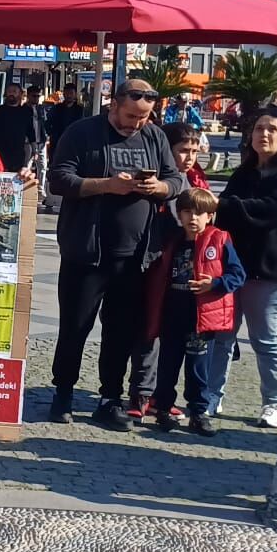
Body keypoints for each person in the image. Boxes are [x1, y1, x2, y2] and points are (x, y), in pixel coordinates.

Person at [45, 78, 185, 427]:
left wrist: (160, 187)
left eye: (144, 116)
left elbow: (176, 180)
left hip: (135, 256)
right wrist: (107, 185)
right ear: (113, 104)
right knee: (75, 327)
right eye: (131, 115)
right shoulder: (82, 133)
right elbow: (59, 179)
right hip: (86, 251)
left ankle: (110, 397)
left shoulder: (154, 136)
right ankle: (63, 390)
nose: (137, 123)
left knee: (120, 330)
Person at [210, 110, 277, 429]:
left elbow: (271, 212)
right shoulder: (243, 174)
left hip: (271, 269)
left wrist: (225, 206)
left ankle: (275, 402)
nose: (264, 135)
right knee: (221, 336)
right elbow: (225, 217)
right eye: (258, 129)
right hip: (234, 266)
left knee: (265, 339)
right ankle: (211, 395)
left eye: (271, 129)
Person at [142, 187, 244, 437]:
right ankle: (163, 408)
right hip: (172, 313)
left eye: (199, 213)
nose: (193, 218)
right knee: (168, 364)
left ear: (210, 215)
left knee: (198, 368)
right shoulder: (174, 240)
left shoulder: (219, 239)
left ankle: (199, 412)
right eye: (187, 212)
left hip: (201, 317)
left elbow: (237, 274)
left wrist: (216, 283)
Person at [0, 84, 43, 178]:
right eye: (9, 91)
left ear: (20, 94)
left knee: (17, 179)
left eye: (14, 91)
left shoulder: (26, 112)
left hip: (18, 153)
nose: (11, 94)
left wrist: (34, 149)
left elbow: (30, 132)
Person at [164, 122, 208, 191]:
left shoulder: (195, 180)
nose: (190, 158)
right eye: (184, 151)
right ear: (167, 150)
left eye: (194, 151)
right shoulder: (156, 182)